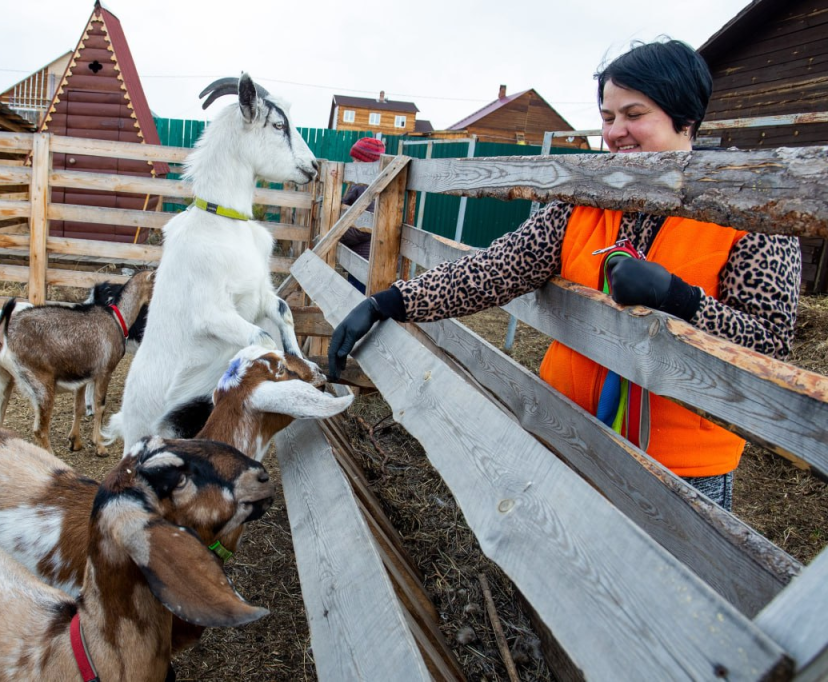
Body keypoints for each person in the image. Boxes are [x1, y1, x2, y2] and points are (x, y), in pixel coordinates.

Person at [327, 39, 801, 511]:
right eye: (608, 116)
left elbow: (770, 343)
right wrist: (390, 301)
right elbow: (498, 267)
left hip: (678, 467)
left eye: (634, 114)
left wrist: (681, 300)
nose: (616, 132)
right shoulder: (589, 199)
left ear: (685, 117)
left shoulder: (747, 212)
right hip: (569, 429)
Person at [339, 137, 386, 293]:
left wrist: (340, 234)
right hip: (358, 254)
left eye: (357, 161)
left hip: (366, 257)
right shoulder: (359, 184)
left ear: (368, 164)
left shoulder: (370, 187)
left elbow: (365, 228)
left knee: (360, 295)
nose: (353, 164)